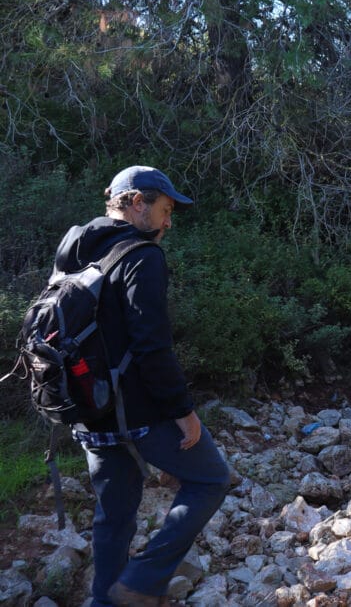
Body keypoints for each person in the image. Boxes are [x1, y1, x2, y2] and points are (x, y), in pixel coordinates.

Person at [53, 166, 230, 607]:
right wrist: (184, 412)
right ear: (136, 202)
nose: (169, 222)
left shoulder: (74, 248)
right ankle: (143, 580)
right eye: (166, 209)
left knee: (113, 518)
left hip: (88, 410)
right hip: (140, 414)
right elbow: (152, 347)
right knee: (211, 479)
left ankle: (105, 602)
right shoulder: (142, 256)